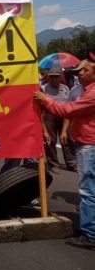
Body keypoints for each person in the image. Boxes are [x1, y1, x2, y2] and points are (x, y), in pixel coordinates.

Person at [34, 59, 95, 250]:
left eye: (84, 70)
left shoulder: (92, 93)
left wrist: (45, 100)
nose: (79, 74)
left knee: (88, 190)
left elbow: (67, 109)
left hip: (89, 145)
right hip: (85, 143)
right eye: (78, 71)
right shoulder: (83, 91)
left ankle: (90, 234)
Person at [41, 67, 76, 173]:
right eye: (52, 77)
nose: (54, 79)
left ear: (60, 77)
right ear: (48, 77)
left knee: (68, 139)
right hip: (49, 117)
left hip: (64, 117)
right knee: (50, 141)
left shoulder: (65, 88)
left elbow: (69, 105)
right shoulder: (43, 88)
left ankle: (71, 163)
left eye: (56, 77)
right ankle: (53, 164)